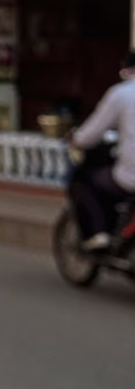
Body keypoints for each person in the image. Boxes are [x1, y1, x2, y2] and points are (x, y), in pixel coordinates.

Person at [70, 51, 135, 251]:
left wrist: (76, 140)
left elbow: (91, 132)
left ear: (125, 71)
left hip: (130, 177)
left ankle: (98, 234)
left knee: (85, 181)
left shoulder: (122, 93)